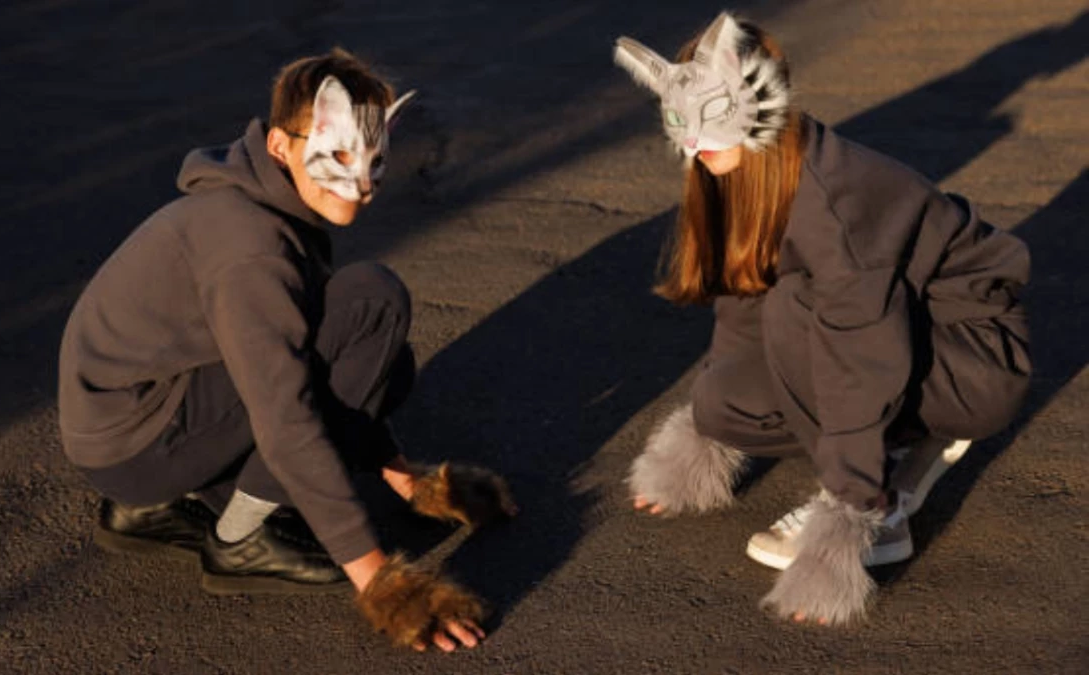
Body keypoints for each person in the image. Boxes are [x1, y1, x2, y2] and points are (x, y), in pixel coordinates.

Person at [57, 49, 515, 651]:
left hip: (130, 429)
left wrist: (407, 481)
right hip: (138, 441)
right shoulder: (250, 246)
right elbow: (285, 413)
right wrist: (381, 582)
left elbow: (312, 360)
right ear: (279, 147)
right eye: (342, 155)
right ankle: (243, 536)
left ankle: (159, 507)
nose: (364, 182)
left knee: (384, 360)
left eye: (376, 159)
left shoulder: (262, 201)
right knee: (369, 303)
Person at [614, 13, 1031, 625]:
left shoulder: (832, 197)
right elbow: (738, 311)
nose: (698, 144)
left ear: (759, 100)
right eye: (681, 119)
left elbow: (861, 352)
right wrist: (699, 443)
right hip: (891, 338)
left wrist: (850, 501)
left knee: (796, 308)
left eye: (711, 116)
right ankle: (899, 438)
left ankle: (881, 504)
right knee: (727, 401)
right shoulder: (743, 172)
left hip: (970, 357)